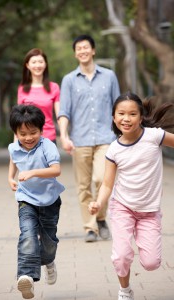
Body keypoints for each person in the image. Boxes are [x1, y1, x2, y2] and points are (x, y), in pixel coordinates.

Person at [88, 91, 174, 300]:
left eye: (132, 114)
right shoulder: (114, 150)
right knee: (121, 256)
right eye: (121, 114)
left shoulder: (154, 136)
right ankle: (125, 291)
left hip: (149, 211)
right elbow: (108, 183)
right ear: (114, 117)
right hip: (122, 208)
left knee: (152, 263)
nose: (126, 119)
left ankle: (140, 242)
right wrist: (99, 202)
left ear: (141, 116)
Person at [58, 34, 120, 242]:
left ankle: (101, 218)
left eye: (86, 47)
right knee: (83, 186)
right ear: (75, 53)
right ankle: (90, 227)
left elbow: (118, 107)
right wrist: (64, 136)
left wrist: (121, 136)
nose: (82, 51)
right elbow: (64, 111)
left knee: (102, 179)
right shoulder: (68, 80)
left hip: (106, 138)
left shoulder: (109, 76)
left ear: (93, 50)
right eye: (78, 48)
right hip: (80, 139)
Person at [8, 105, 65, 299]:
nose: (28, 137)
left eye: (33, 132)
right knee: (28, 235)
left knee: (49, 244)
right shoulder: (14, 146)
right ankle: (26, 276)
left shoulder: (47, 146)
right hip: (26, 199)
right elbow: (14, 160)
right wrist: (10, 177)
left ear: (41, 130)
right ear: (16, 133)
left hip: (49, 201)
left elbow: (56, 170)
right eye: (22, 133)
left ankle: (48, 261)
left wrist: (32, 172)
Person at [17, 48, 60, 143]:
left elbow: (59, 116)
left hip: (49, 139)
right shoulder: (22, 88)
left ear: (45, 64)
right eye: (34, 62)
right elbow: (18, 119)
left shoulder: (54, 87)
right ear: (27, 65)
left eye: (40, 62)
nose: (37, 65)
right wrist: (15, 146)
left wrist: (64, 136)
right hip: (28, 140)